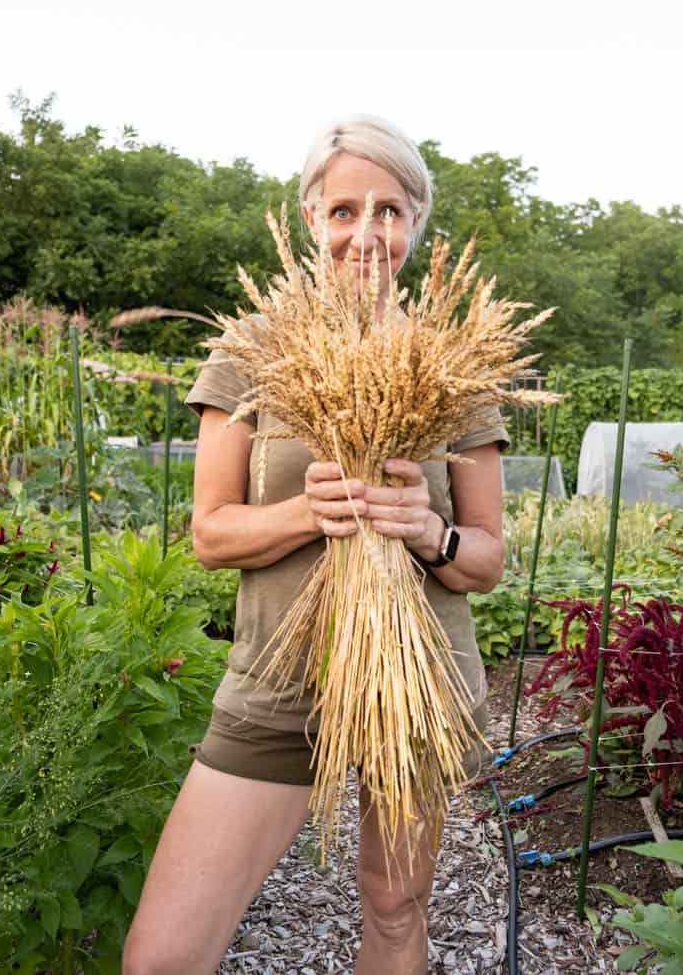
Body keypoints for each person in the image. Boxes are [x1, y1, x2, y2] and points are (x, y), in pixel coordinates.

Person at [122, 115, 509, 975]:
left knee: (394, 908)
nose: (365, 234)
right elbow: (212, 536)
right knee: (161, 957)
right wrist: (310, 511)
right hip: (279, 683)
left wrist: (429, 532)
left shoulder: (456, 359)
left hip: (418, 681)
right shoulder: (251, 349)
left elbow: (485, 560)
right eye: (343, 211)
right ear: (309, 221)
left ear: (415, 223)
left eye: (388, 211)